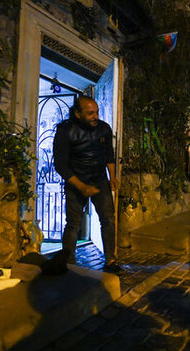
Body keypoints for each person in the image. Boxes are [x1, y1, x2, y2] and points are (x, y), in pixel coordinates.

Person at [53, 96, 119, 271]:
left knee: (108, 220)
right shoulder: (65, 131)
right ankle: (68, 264)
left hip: (99, 181)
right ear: (77, 113)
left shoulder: (104, 128)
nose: (95, 116)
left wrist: (112, 177)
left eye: (96, 112)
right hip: (76, 182)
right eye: (90, 113)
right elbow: (60, 165)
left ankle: (111, 260)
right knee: (73, 224)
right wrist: (81, 186)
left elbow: (109, 155)